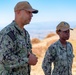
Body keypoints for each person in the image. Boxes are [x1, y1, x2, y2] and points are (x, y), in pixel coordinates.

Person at [0, 1, 38, 75]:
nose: (31, 15)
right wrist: (28, 60)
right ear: (18, 12)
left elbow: (27, 53)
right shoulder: (7, 33)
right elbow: (4, 59)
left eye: (32, 13)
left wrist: (32, 57)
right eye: (28, 12)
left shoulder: (26, 34)